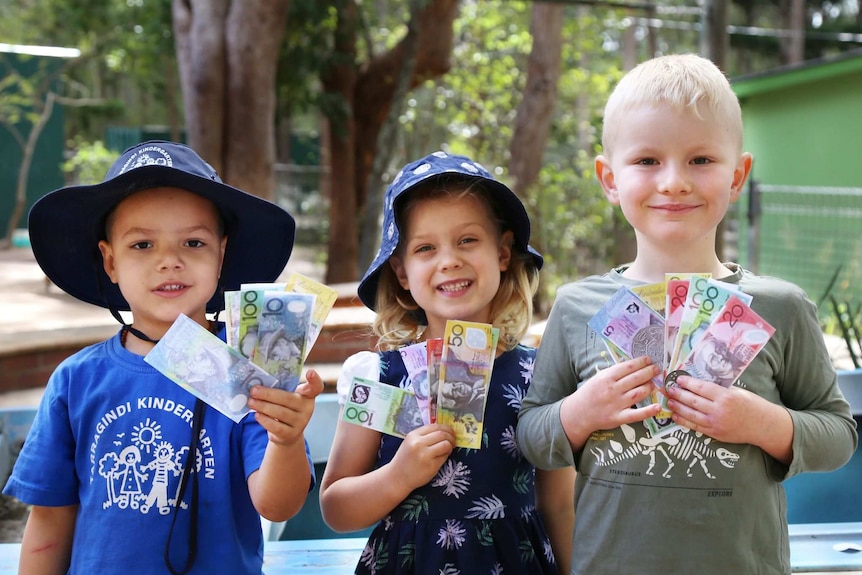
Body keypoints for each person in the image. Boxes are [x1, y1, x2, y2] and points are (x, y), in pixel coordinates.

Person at [516, 53, 858, 575]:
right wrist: (578, 414)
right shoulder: (576, 307)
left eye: (700, 160)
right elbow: (531, 434)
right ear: (609, 178)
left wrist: (765, 424)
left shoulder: (781, 307)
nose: (673, 181)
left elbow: (839, 434)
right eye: (647, 160)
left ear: (738, 174)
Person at [3, 141, 324, 574]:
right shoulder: (76, 381)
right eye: (142, 245)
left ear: (221, 254)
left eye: (193, 242)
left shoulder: (251, 369)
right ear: (109, 260)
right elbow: (49, 521)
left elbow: (277, 505)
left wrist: (285, 441)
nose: (169, 261)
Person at [320, 151, 575, 574]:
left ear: (504, 253)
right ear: (402, 273)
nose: (449, 260)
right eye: (425, 248)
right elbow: (335, 508)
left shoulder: (542, 375)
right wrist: (398, 476)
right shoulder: (380, 378)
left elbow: (559, 504)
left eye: (467, 240)